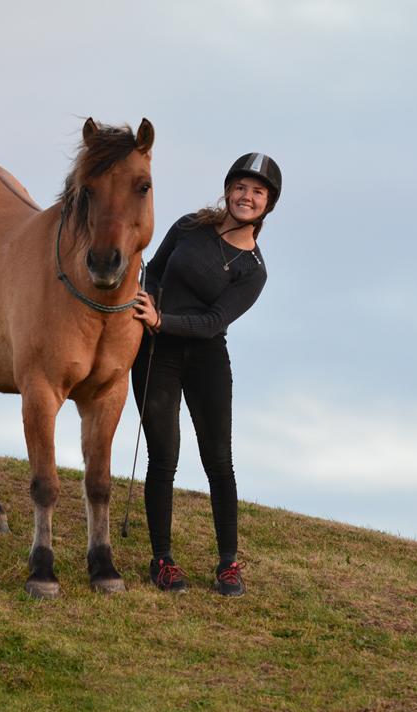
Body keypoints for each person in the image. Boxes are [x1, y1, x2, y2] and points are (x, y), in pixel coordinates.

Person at [131, 153, 282, 597]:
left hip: (206, 359)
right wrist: (148, 304)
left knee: (219, 461)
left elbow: (215, 321)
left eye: (257, 192)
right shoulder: (190, 226)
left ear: (268, 203)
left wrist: (163, 320)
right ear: (228, 190)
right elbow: (154, 271)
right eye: (240, 187)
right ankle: (162, 560)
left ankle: (228, 564)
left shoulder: (254, 270)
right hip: (155, 353)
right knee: (164, 457)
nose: (246, 197)